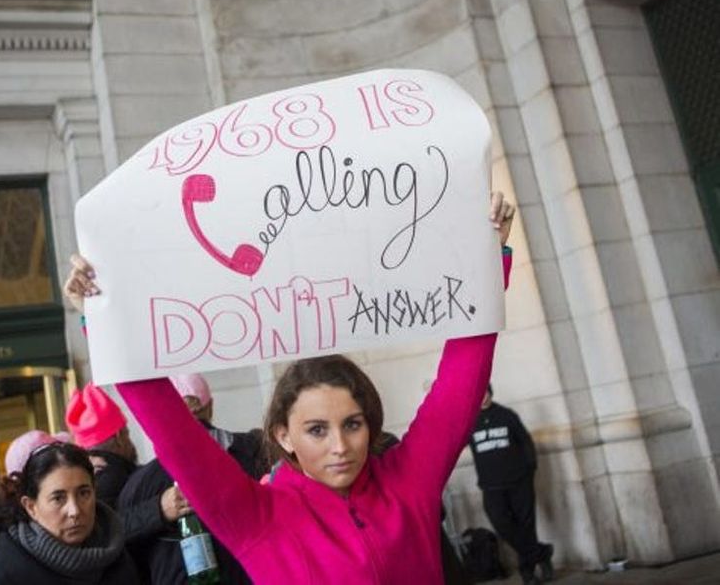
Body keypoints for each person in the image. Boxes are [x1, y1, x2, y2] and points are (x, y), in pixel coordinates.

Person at [64, 192, 515, 584]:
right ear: (283, 435)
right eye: (317, 429)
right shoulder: (255, 515)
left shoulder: (409, 481)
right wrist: (101, 317)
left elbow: (462, 378)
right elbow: (169, 425)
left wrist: (487, 259)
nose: (341, 446)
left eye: (353, 424)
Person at [117, 373, 264, 584]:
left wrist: (157, 510)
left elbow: (117, 536)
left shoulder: (141, 482)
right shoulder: (257, 454)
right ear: (210, 407)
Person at [0, 440, 138, 584]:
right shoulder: (9, 569)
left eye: (84, 493)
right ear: (31, 507)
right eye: (58, 499)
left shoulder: (114, 546)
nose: (74, 511)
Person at [469, 384, 553, 584]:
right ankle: (541, 552)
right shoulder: (469, 422)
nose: (482, 397)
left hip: (519, 482)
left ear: (490, 392)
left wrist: (529, 469)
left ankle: (528, 573)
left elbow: (525, 441)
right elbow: (451, 439)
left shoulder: (506, 415)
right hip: (491, 486)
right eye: (478, 393)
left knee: (526, 526)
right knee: (502, 525)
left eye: (485, 392)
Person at [65, 383, 139, 509]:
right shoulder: (117, 475)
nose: (130, 442)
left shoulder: (81, 479)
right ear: (119, 437)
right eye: (127, 433)